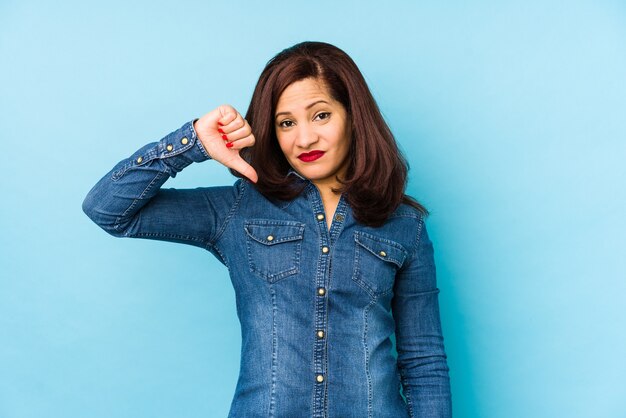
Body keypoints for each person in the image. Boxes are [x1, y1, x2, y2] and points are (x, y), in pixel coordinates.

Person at [82, 41, 452, 417]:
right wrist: (192, 142)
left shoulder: (405, 224)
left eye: (321, 115)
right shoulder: (238, 209)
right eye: (286, 123)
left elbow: (424, 361)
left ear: (353, 116)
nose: (304, 138)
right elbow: (108, 210)